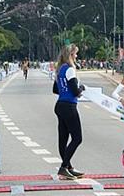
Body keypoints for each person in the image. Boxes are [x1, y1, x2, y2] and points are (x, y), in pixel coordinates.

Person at [52, 44, 85, 179]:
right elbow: (75, 91)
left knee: (63, 138)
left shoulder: (60, 69)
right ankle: (64, 166)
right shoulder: (70, 69)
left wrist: (65, 91)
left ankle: (69, 167)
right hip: (69, 106)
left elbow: (55, 89)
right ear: (70, 55)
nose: (77, 56)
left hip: (60, 105)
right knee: (77, 138)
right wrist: (81, 88)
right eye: (75, 54)